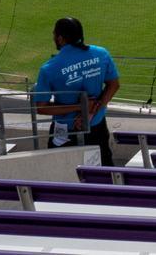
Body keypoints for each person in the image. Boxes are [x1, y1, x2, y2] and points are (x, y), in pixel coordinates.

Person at [33, 17, 120, 165]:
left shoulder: (49, 68)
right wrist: (91, 111)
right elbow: (114, 85)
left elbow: (41, 107)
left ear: (60, 38)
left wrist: (80, 107)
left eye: (54, 34)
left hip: (66, 130)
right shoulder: (101, 54)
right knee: (104, 171)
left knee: (63, 171)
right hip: (97, 125)